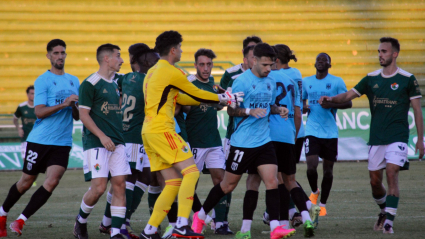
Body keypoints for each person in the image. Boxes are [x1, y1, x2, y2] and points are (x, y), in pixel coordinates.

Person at [140, 30, 243, 239]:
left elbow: (183, 98)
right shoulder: (171, 71)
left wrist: (219, 99)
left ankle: (150, 230)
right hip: (163, 130)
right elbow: (194, 91)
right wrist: (224, 97)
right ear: (173, 50)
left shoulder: (152, 72)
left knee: (172, 183)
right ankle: (181, 224)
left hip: (149, 132)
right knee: (192, 172)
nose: (181, 51)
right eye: (180, 48)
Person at [319, 37, 424, 234]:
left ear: (395, 54)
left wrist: (420, 139)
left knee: (392, 173)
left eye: (384, 51)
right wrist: (331, 98)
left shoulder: (407, 79)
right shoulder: (371, 78)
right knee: (375, 182)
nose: (380, 55)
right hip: (376, 138)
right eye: (378, 51)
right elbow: (348, 95)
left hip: (398, 136)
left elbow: (418, 111)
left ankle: (389, 224)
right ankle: (384, 210)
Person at [192, 43, 295, 239]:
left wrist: (278, 109)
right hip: (242, 143)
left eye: (271, 65)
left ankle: (275, 228)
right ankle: (201, 216)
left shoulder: (270, 81)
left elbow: (268, 105)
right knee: (227, 186)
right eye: (265, 65)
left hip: (264, 140)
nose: (268, 69)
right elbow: (231, 110)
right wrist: (249, 111)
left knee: (272, 181)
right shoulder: (241, 82)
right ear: (254, 61)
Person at [0, 39, 79, 237]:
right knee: (26, 181)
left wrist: (77, 107)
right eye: (56, 53)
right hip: (40, 140)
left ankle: (20, 220)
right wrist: (64, 104)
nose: (60, 56)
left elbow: (76, 115)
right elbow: (39, 112)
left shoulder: (74, 81)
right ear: (48, 56)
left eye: (63, 52)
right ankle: (2, 214)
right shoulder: (42, 80)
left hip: (62, 142)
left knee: (52, 181)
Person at [100, 43, 159, 239]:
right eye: (152, 57)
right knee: (130, 179)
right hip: (134, 136)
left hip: (133, 135)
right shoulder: (146, 80)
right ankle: (120, 224)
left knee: (144, 176)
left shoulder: (123, 79)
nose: (156, 59)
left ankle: (108, 221)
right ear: (142, 60)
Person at [73, 43, 131, 239]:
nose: (122, 60)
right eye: (118, 56)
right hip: (97, 142)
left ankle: (115, 232)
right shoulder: (90, 83)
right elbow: (83, 115)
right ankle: (80, 221)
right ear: (106, 58)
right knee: (98, 188)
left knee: (120, 184)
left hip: (118, 142)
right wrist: (102, 136)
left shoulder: (116, 83)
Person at [184, 48, 232, 235]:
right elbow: (185, 108)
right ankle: (198, 218)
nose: (206, 68)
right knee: (190, 184)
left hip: (213, 141)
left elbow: (217, 104)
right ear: (195, 65)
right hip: (194, 141)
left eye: (209, 64)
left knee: (221, 180)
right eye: (202, 64)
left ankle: (219, 223)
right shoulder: (189, 83)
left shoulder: (213, 84)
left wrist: (224, 100)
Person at [302, 53, 352, 216]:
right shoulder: (307, 82)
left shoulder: (337, 82)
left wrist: (330, 103)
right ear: (314, 63)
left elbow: (348, 102)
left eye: (324, 60)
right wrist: (304, 108)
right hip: (311, 130)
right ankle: (315, 191)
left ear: (330, 65)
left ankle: (323, 204)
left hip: (330, 132)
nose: (321, 62)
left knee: (328, 171)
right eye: (318, 60)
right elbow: (301, 102)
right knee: (311, 166)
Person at [13, 86, 36, 161]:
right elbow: (15, 119)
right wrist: (19, 129)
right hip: (25, 137)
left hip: (38, 137)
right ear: (27, 94)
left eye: (35, 93)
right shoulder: (22, 107)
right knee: (25, 160)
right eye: (32, 93)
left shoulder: (40, 107)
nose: (33, 95)